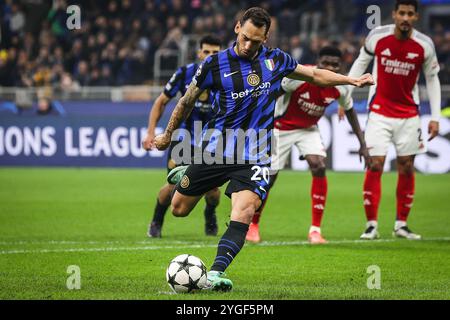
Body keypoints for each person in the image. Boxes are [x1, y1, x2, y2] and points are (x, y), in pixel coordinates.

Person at [151, 7, 373, 291]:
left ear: (266, 37)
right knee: (179, 209)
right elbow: (185, 102)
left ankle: (216, 273)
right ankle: (185, 171)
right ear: (237, 28)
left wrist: (351, 80)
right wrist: (167, 135)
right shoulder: (213, 65)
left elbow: (315, 74)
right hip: (215, 149)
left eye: (256, 41)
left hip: (255, 152)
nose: (248, 45)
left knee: (244, 210)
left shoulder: (276, 60)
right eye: (245, 37)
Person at [245, 46, 371, 244]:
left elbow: (350, 112)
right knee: (269, 177)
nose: (330, 68)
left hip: (308, 129)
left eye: (335, 65)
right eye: (325, 63)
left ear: (341, 67)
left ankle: (315, 231)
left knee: (319, 165)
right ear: (317, 63)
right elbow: (270, 95)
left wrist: (362, 144)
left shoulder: (342, 87)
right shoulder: (299, 77)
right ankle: (253, 225)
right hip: (280, 127)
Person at [347, 0, 441, 240]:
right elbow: (361, 61)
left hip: (409, 114)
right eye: (402, 13)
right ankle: (371, 225)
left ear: (416, 17)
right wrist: (344, 93)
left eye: (410, 14)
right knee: (375, 164)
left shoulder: (424, 45)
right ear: (394, 14)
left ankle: (401, 224)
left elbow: (432, 79)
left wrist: (436, 117)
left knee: (407, 166)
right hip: (379, 111)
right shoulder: (377, 36)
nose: (405, 18)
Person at [142, 35, 222, 238]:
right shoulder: (185, 73)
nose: (210, 56)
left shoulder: (227, 76)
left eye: (215, 52)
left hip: (211, 142)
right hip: (183, 140)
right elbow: (161, 101)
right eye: (207, 52)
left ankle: (210, 213)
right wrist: (151, 131)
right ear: (199, 53)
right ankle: (156, 222)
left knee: (213, 193)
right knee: (172, 186)